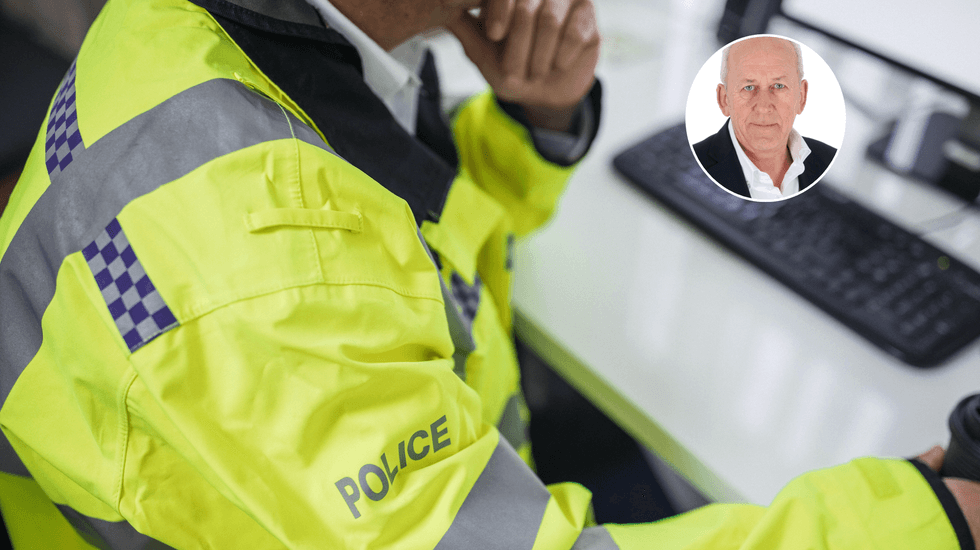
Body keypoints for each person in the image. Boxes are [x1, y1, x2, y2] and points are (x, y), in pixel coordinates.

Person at [0, 0, 977, 548]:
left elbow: (385, 234)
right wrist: (921, 526)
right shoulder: (258, 269)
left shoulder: (247, 38)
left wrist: (532, 124)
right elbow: (305, 271)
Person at [693, 35, 837, 200]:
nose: (763, 107)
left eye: (778, 86)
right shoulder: (695, 161)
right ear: (724, 99)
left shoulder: (830, 163)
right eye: (748, 87)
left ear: (801, 96)